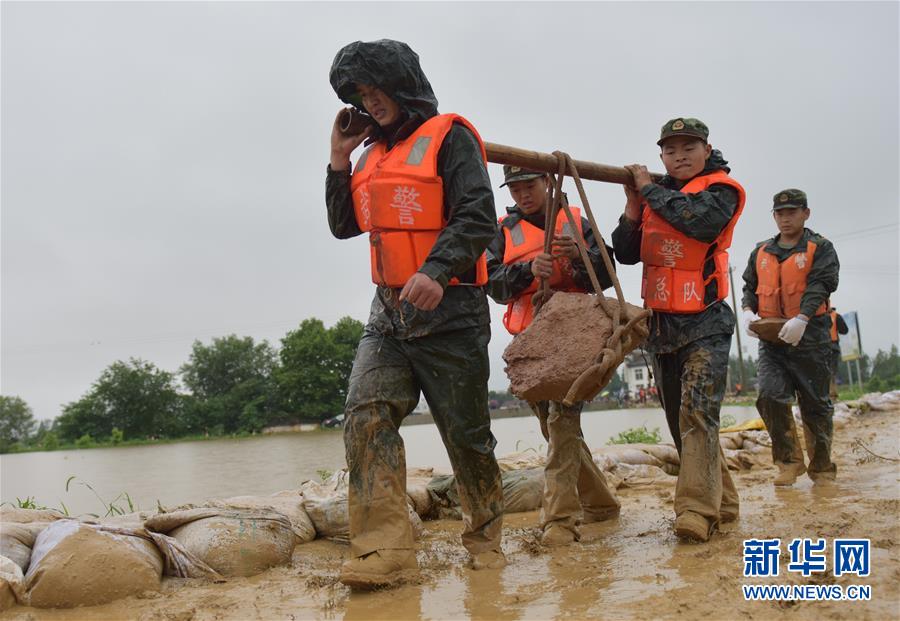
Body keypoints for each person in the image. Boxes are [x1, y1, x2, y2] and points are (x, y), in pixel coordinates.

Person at [326, 39, 504, 588]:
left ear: (402, 83)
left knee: (467, 436)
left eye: (376, 88)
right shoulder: (370, 155)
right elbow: (343, 225)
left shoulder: (449, 138)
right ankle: (382, 551)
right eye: (360, 93)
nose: (370, 100)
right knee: (366, 412)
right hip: (389, 315)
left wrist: (437, 268)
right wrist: (338, 159)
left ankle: (485, 538)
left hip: (451, 312)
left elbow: (477, 217)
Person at [611, 117, 743, 542]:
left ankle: (696, 512)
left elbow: (698, 223)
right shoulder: (656, 196)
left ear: (706, 150)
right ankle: (723, 502)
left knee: (698, 413)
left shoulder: (721, 191)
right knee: (679, 423)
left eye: (688, 147)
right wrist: (634, 205)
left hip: (706, 321)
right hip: (662, 327)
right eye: (670, 150)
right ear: (661, 155)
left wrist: (649, 189)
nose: (679, 156)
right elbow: (628, 253)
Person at [485, 166, 621, 546]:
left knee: (562, 422)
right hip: (530, 344)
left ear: (547, 183)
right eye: (515, 188)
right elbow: (491, 282)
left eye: (529, 185)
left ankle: (559, 520)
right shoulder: (501, 230)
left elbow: (607, 272)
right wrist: (527, 272)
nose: (522, 194)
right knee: (555, 427)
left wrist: (580, 255)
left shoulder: (577, 220)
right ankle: (602, 502)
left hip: (573, 339)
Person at [741, 189, 840, 485]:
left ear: (805, 213)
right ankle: (788, 462)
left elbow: (822, 284)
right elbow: (749, 285)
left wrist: (802, 317)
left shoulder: (820, 247)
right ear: (774, 216)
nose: (786, 219)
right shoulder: (761, 251)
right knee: (769, 395)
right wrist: (747, 310)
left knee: (816, 405)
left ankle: (821, 468)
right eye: (780, 213)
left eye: (792, 212)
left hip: (811, 337)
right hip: (772, 339)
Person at [828, 307, 849, 398]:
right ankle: (833, 393)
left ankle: (827, 394)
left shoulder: (817, 316)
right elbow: (844, 330)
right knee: (832, 371)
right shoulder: (836, 316)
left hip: (820, 348)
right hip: (833, 347)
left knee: (823, 371)